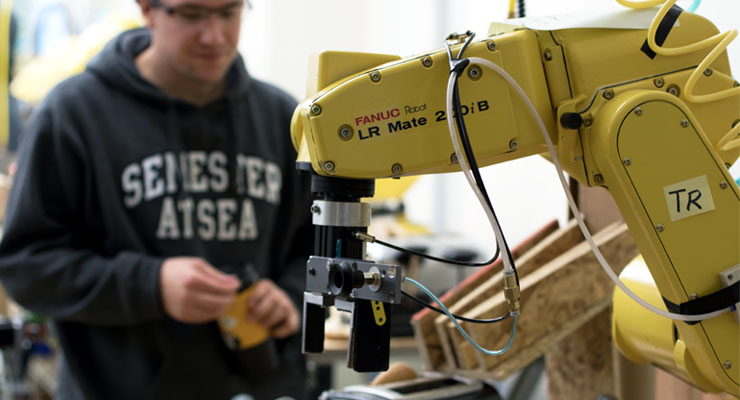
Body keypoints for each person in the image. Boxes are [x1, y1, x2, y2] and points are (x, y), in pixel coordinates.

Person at [0, 0, 313, 398]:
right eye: (192, 14)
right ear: (147, 9)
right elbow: (25, 268)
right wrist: (151, 284)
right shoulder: (72, 115)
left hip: (263, 385)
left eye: (229, 12)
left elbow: (314, 244)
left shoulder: (282, 117)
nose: (214, 35)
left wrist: (289, 294)